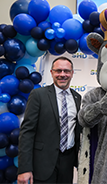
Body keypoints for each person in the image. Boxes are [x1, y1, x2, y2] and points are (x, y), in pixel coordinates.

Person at [17, 56, 82, 184]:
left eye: (66, 71)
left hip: (68, 163)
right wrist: (24, 169)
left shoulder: (77, 97)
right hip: (43, 163)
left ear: (72, 73)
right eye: (58, 71)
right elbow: (27, 132)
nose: (62, 74)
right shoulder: (38, 95)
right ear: (51, 73)